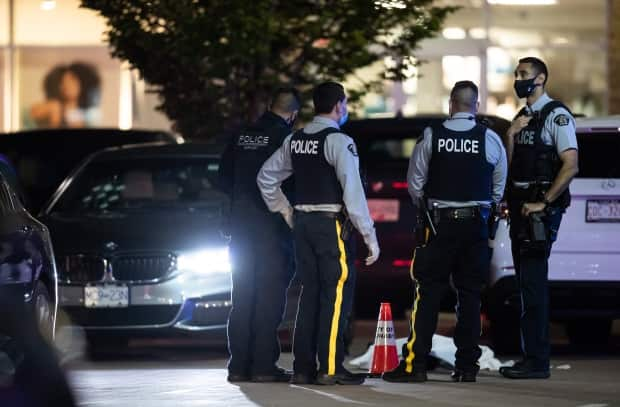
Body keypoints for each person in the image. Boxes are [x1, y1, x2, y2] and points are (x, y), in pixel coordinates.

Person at [383, 81, 507, 383]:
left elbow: (415, 184)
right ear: (475, 106)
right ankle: (466, 367)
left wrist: (431, 206)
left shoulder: (432, 135)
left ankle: (416, 366)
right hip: (476, 225)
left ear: (451, 104)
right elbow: (498, 187)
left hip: (438, 224)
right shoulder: (489, 138)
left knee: (427, 294)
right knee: (470, 297)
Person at [257, 81, 379, 386]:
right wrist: (370, 237)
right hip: (329, 226)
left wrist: (287, 212)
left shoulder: (296, 139)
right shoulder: (339, 141)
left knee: (310, 295)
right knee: (335, 295)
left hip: (303, 226)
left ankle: (302, 367)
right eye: (346, 103)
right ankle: (330, 367)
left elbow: (266, 177)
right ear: (338, 105)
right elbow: (353, 195)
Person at [499, 57, 578, 380]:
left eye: (523, 75)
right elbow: (510, 165)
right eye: (517, 74)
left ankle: (537, 360)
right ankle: (530, 356)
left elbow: (570, 165)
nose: (518, 80)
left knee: (532, 285)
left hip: (538, 211)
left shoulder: (555, 116)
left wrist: (543, 203)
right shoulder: (522, 118)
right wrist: (510, 136)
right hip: (520, 208)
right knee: (524, 286)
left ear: (541, 79)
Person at [219, 87, 301, 383]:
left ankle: (238, 365)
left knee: (242, 295)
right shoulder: (286, 138)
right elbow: (290, 183)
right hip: (271, 228)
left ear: (269, 105)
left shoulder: (241, 136)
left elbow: (224, 179)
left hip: (240, 227)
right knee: (269, 295)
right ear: (293, 114)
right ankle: (264, 366)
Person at [29, 62, 101, 129]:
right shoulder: (53, 106)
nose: (66, 84)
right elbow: (31, 113)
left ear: (82, 82)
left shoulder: (90, 114)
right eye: (62, 81)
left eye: (72, 79)